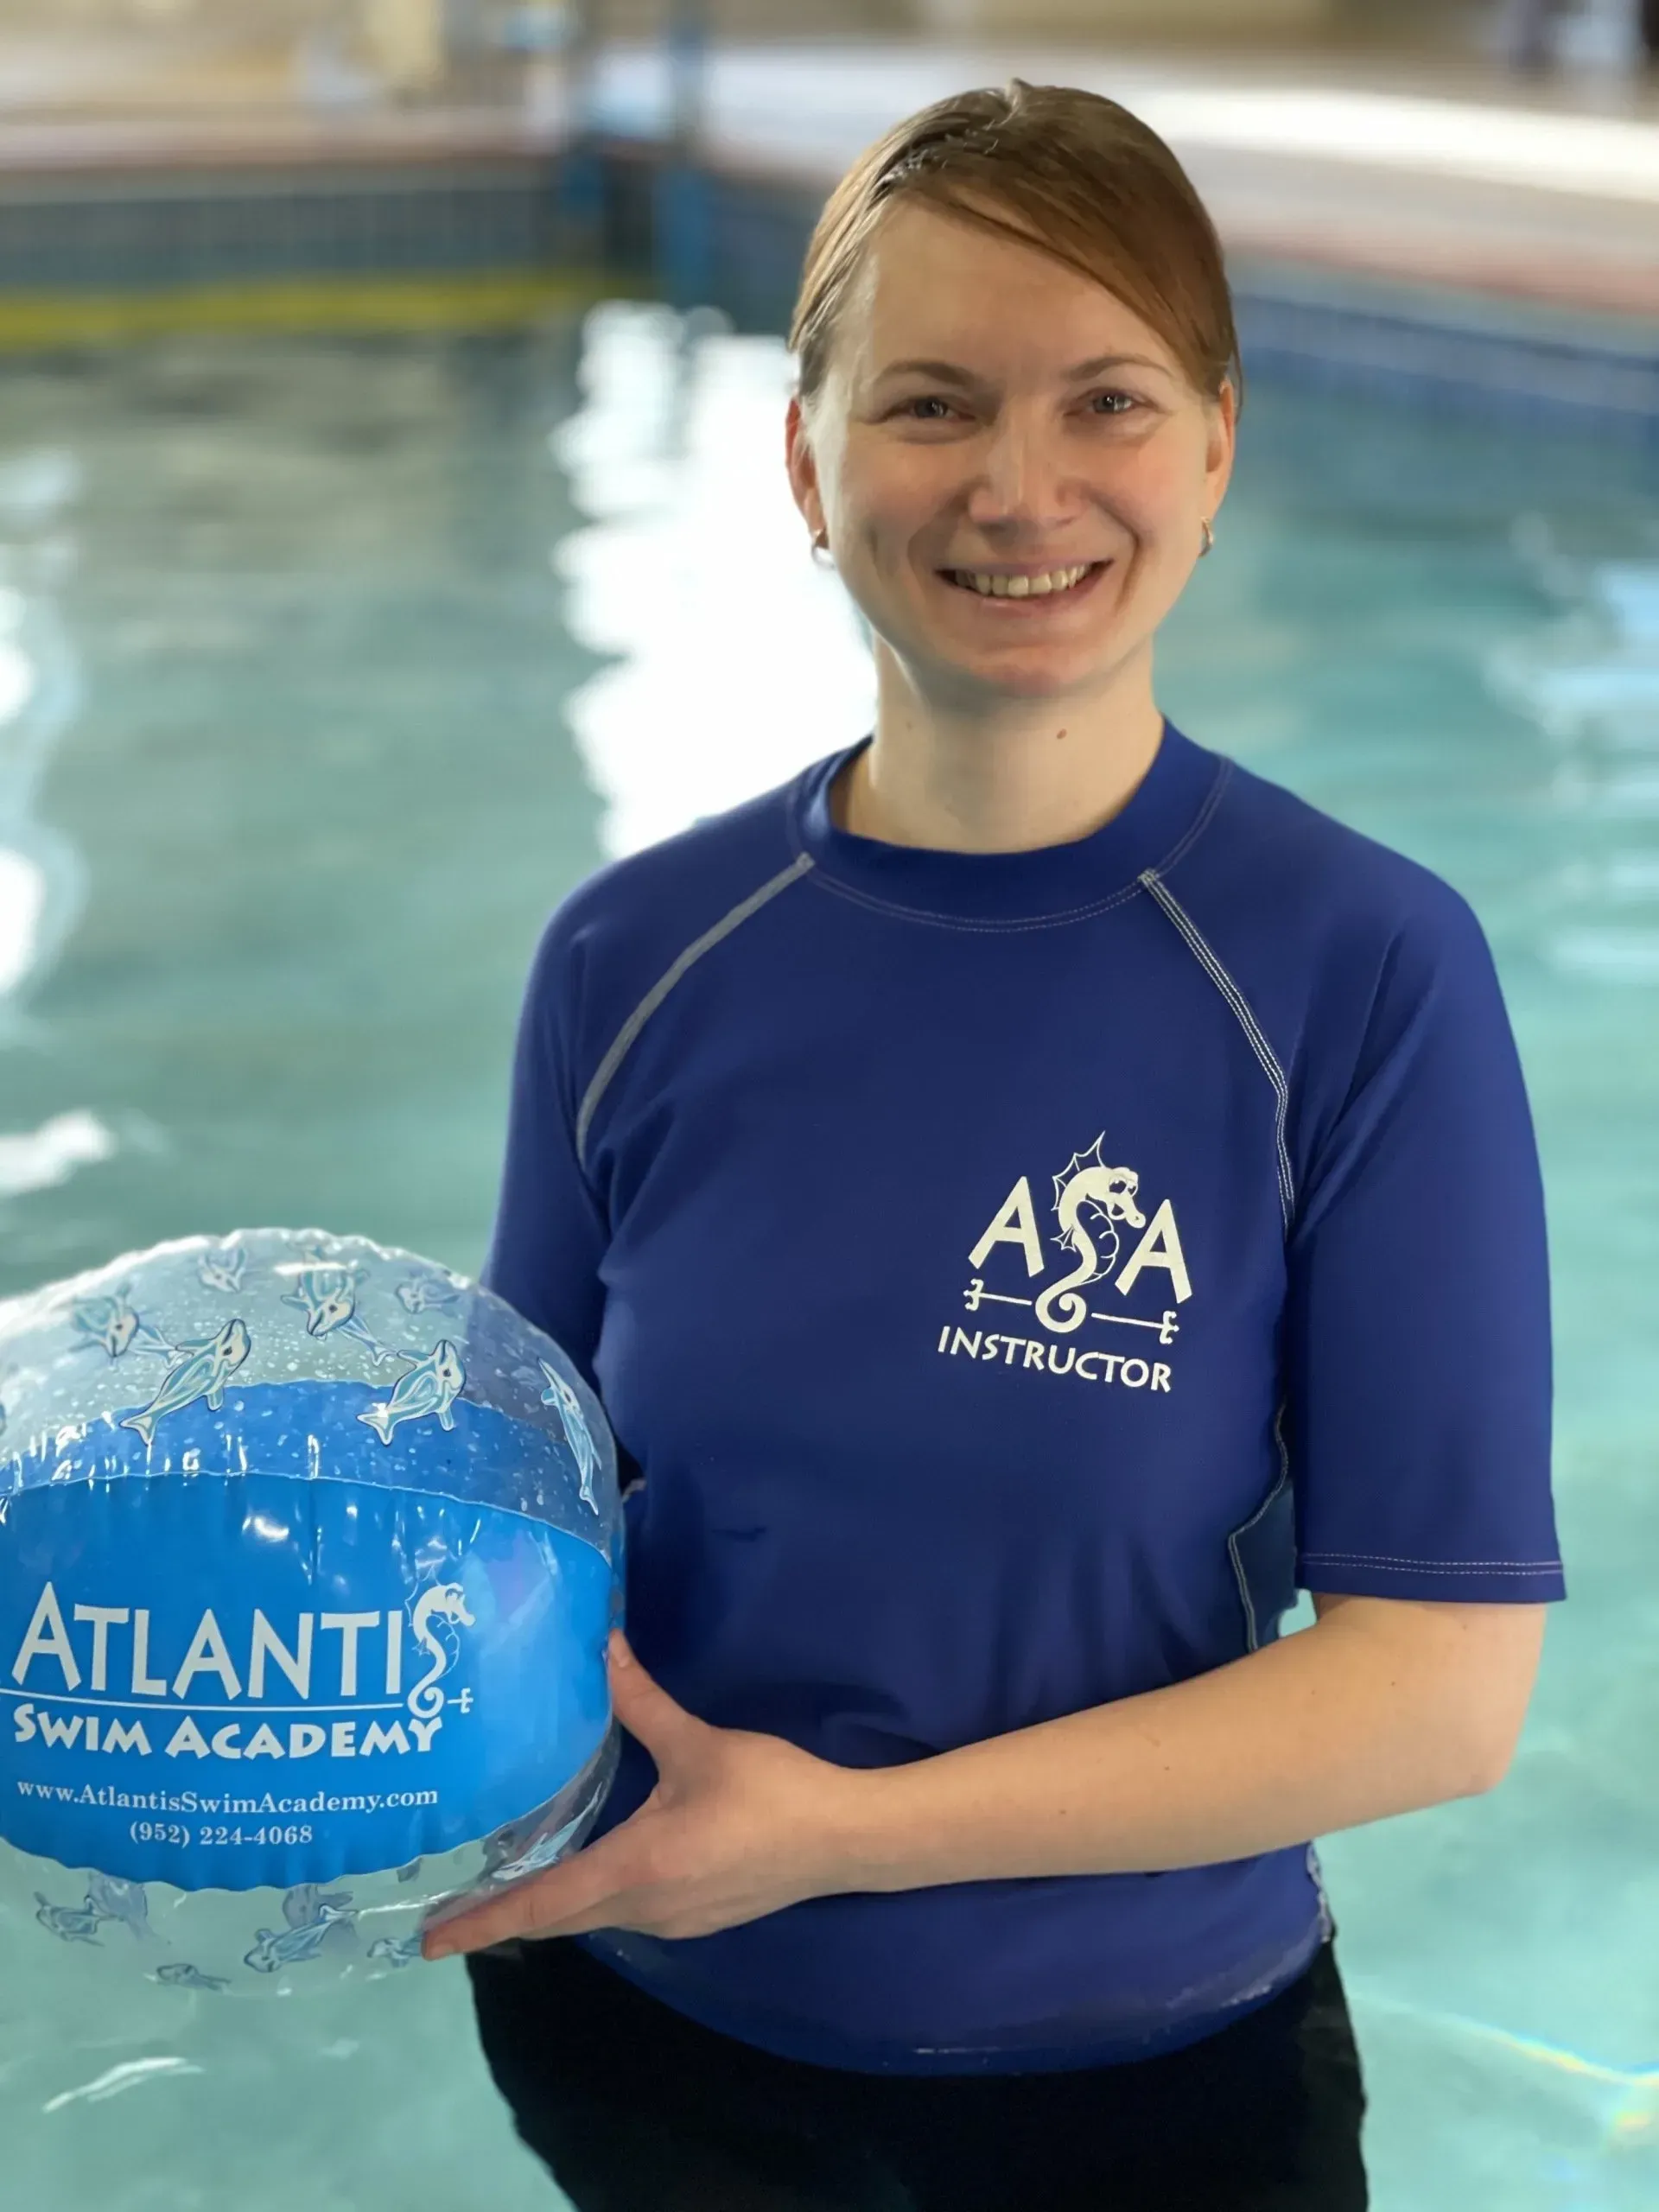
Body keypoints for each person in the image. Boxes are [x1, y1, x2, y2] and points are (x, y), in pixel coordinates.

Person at [431, 79, 1567, 2212]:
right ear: (806, 457)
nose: (1020, 488)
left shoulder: (1358, 971)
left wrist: (838, 1835)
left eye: (1109, 402)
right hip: (642, 2047)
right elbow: (521, 1516)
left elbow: (1438, 1693)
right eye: (934, 402)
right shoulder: (633, 958)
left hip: (1146, 2096)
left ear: (1219, 444)